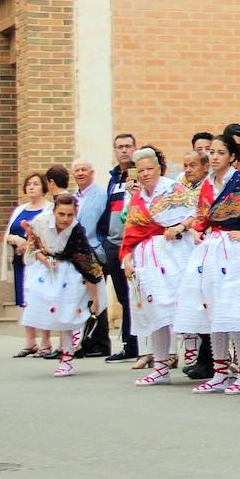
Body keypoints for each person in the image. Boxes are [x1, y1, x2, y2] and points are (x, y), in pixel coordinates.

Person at [174, 134, 240, 395]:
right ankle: (220, 371)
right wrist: (198, 229)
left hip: (236, 251)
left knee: (235, 311)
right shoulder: (208, 183)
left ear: (232, 156)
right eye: (212, 152)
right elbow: (201, 215)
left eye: (220, 152)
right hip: (212, 249)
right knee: (214, 311)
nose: (215, 156)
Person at [121, 146, 196, 387]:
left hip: (173, 254)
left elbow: (197, 212)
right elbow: (131, 232)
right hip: (147, 258)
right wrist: (127, 258)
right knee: (155, 314)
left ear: (158, 168)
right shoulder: (137, 198)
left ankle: (203, 357)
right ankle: (160, 366)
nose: (145, 174)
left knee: (181, 306)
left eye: (149, 169)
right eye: (140, 170)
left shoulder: (173, 189)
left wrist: (180, 227)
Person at [20, 193, 104, 377]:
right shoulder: (41, 221)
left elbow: (87, 265)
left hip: (70, 271)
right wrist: (45, 259)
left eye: (70, 215)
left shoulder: (77, 231)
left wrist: (95, 299)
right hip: (46, 268)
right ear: (54, 211)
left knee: (67, 313)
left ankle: (67, 358)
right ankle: (43, 342)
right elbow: (32, 245)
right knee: (42, 305)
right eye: (61, 214)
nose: (65, 219)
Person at [99, 133, 139, 363]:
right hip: (113, 244)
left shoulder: (140, 174)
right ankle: (128, 344)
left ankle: (138, 344)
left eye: (128, 146)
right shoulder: (114, 178)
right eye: (119, 147)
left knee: (135, 296)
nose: (124, 150)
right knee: (123, 297)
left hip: (133, 244)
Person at [4, 172, 52, 358]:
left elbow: (50, 234)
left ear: (44, 187)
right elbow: (8, 234)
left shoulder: (49, 209)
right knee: (25, 300)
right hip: (20, 261)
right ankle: (30, 341)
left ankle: (45, 341)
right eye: (29, 184)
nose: (31, 187)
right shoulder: (20, 210)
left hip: (40, 261)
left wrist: (31, 245)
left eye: (36, 184)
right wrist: (15, 239)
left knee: (42, 298)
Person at [72, 159, 110, 357]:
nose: (80, 173)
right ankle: (84, 342)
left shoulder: (101, 194)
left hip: (94, 250)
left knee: (98, 296)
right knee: (82, 298)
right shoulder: (72, 197)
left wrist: (101, 245)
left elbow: (106, 222)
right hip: (76, 253)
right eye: (77, 170)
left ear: (92, 172)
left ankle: (101, 343)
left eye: (84, 169)